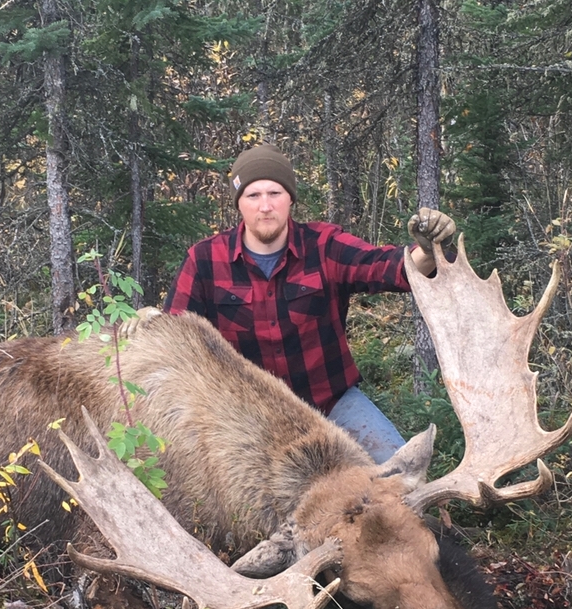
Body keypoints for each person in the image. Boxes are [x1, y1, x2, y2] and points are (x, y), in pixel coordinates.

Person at [163, 143, 455, 463]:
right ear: (239, 204)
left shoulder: (324, 246)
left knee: (403, 471)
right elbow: (173, 341)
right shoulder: (205, 260)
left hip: (331, 405)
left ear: (290, 198)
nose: (265, 206)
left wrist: (429, 250)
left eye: (274, 193)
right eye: (253, 195)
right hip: (245, 419)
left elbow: (392, 269)